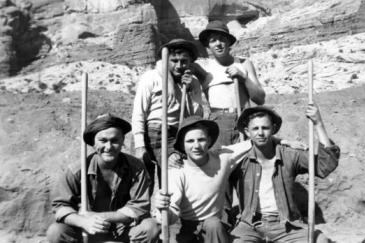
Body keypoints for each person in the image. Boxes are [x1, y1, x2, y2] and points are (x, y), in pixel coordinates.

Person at [230, 105, 340, 243]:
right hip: (250, 226)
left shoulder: (289, 155)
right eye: (255, 128)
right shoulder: (238, 160)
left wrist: (318, 123)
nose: (260, 133)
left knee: (320, 240)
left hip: (286, 225)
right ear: (247, 132)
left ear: (274, 129)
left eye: (265, 128)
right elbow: (211, 160)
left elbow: (324, 165)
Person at [46, 114, 159, 243]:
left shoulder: (136, 168)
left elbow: (139, 207)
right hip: (87, 231)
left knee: (151, 227)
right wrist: (83, 221)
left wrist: (96, 216)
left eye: (115, 140)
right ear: (93, 143)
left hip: (123, 231)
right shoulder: (77, 170)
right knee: (56, 232)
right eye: (103, 140)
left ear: (123, 141)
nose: (109, 147)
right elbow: (60, 206)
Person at [154, 116, 253, 243]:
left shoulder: (222, 157)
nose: (196, 146)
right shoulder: (176, 170)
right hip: (184, 225)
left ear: (209, 141)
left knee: (214, 224)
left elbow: (253, 142)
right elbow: (172, 214)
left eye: (201, 140)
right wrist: (164, 210)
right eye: (190, 141)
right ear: (182, 146)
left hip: (213, 226)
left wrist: (276, 140)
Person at [132, 38, 204, 195]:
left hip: (179, 132)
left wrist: (190, 90)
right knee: (149, 176)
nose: (179, 66)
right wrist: (139, 145)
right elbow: (139, 111)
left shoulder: (193, 82)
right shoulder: (151, 77)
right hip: (155, 131)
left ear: (191, 62)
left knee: (175, 174)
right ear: (165, 60)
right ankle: (144, 215)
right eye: (174, 61)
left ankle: (169, 213)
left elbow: (197, 115)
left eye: (184, 61)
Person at [194, 20, 266, 148]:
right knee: (222, 163)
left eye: (222, 39)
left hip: (244, 119)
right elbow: (177, 65)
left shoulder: (244, 63)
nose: (218, 44)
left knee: (248, 161)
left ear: (228, 42)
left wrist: (244, 78)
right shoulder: (204, 67)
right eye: (213, 40)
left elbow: (260, 99)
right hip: (219, 122)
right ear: (207, 45)